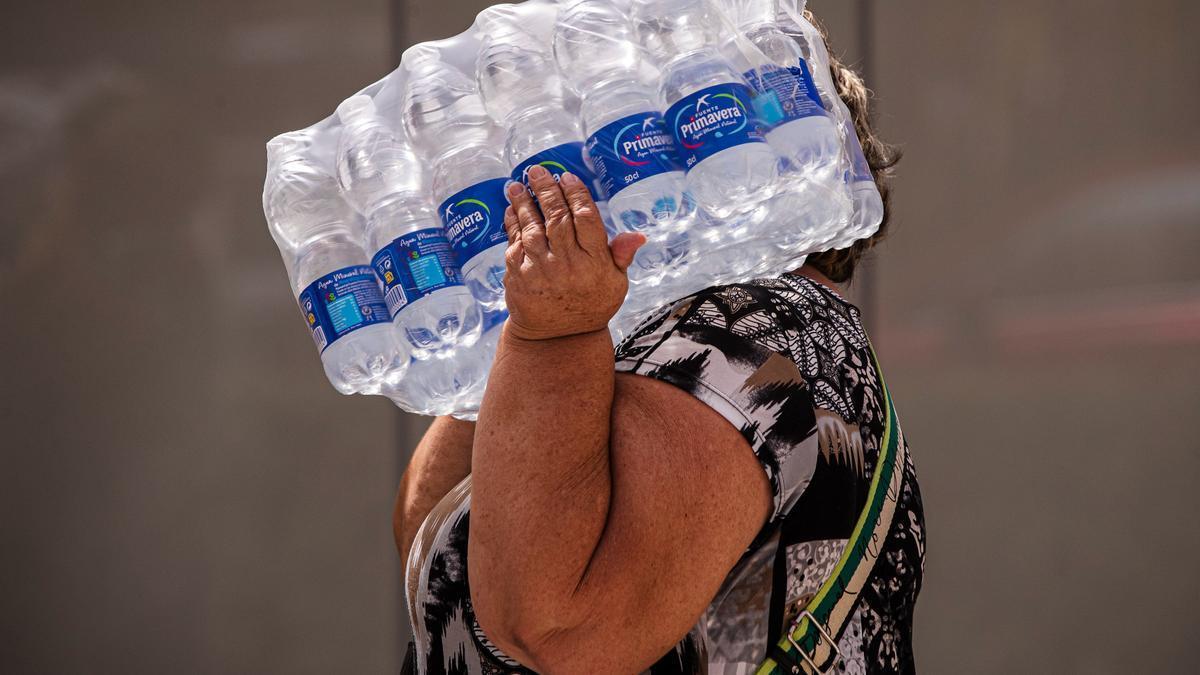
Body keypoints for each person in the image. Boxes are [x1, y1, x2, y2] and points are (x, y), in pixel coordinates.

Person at [394, 15, 924, 674]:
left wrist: (553, 331)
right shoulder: (636, 326)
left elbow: (554, 627)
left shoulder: (764, 328)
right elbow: (434, 556)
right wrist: (521, 323)